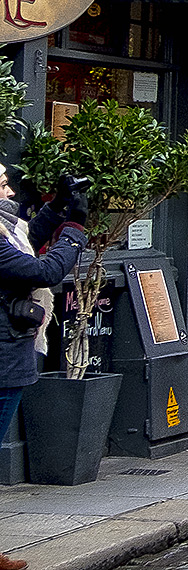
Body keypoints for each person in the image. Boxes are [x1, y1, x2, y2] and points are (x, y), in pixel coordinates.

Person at [0, 167, 84, 566]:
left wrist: (56, 207)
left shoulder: (6, 230)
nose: (11, 189)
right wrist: (74, 232)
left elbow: (28, 241)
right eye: (1, 184)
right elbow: (43, 270)